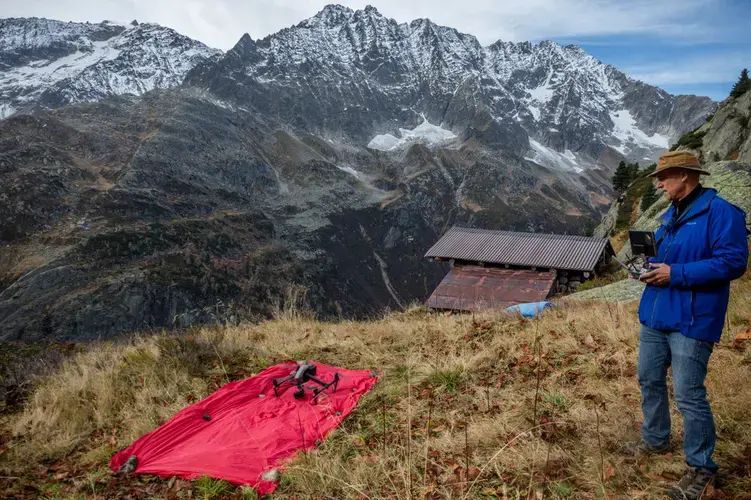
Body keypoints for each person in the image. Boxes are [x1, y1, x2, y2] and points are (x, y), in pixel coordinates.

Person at [621, 150, 748, 500]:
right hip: (656, 313)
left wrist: (675, 273)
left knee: (689, 395)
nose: (659, 184)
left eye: (664, 177)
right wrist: (647, 268)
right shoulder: (670, 214)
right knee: (648, 379)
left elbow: (733, 262)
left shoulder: (722, 213)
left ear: (686, 176)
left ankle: (701, 467)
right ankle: (656, 439)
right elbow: (664, 259)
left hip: (693, 318)